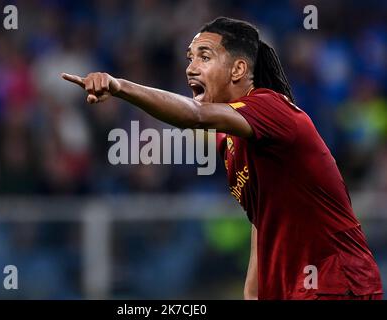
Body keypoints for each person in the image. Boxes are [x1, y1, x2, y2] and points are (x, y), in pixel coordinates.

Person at [61, 17, 383, 300]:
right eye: (190, 58)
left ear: (239, 69)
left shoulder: (271, 107)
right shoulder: (228, 141)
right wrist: (253, 292)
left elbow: (195, 115)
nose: (191, 67)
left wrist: (120, 87)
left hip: (335, 281)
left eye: (204, 56)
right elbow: (262, 217)